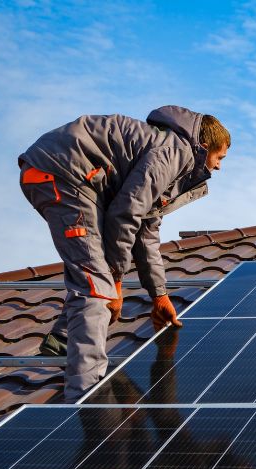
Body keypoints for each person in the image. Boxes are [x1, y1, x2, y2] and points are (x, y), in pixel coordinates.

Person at [19, 105, 230, 402]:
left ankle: (63, 339)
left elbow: (146, 232)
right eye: (220, 157)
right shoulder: (174, 152)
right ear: (204, 146)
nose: (220, 167)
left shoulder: (170, 161)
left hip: (73, 177)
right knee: (97, 286)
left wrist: (159, 295)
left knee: (92, 267)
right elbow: (125, 213)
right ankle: (88, 396)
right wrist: (116, 281)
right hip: (65, 173)